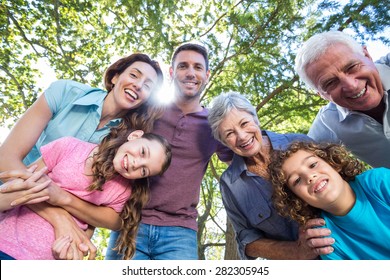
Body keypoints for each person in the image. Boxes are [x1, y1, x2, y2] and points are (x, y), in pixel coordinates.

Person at [0, 53, 164, 258]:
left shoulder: (121, 148)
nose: (139, 85)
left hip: (46, 240)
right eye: (134, 75)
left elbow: (101, 204)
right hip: (9, 196)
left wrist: (78, 234)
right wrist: (59, 216)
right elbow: (5, 159)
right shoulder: (65, 92)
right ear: (114, 77)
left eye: (148, 86)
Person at [105, 42, 233, 260]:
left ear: (207, 74)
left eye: (198, 67)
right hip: (130, 221)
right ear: (172, 72)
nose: (191, 73)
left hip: (180, 231)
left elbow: (244, 154)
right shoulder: (148, 110)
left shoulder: (215, 124)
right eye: (183, 66)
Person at [0, 129, 172, 260]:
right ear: (134, 136)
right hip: (5, 242)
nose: (136, 163)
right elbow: (12, 191)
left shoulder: (122, 192)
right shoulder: (68, 147)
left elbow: (88, 231)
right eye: (143, 152)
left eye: (143, 170)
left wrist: (68, 256)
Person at [207, 91, 335, 260]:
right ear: (224, 142)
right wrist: (297, 251)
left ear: (255, 119)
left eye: (244, 123)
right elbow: (247, 240)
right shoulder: (230, 185)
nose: (242, 136)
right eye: (229, 134)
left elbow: (345, 184)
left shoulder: (300, 143)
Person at [269, 141, 390, 260]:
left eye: (312, 165)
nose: (310, 177)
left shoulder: (379, 181)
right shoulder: (325, 240)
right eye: (297, 180)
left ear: (333, 163)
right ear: (299, 200)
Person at [294, 30, 390, 168]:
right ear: (322, 95)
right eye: (330, 82)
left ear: (367, 55)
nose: (351, 86)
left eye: (352, 67)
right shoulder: (329, 123)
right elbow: (297, 163)